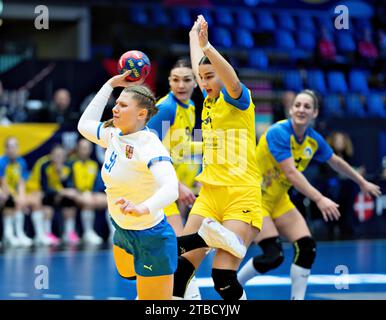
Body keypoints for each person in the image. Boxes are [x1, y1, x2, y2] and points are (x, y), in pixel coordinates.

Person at [237, 89, 382, 299]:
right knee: (273, 256)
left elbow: (336, 162)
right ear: (290, 109)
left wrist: (362, 182)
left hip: (278, 200)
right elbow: (291, 173)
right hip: (254, 198)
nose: (301, 109)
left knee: (306, 248)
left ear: (314, 113)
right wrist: (319, 198)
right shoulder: (279, 132)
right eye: (298, 105)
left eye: (307, 106)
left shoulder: (313, 140)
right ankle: (234, 286)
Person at [172, 15, 263, 301]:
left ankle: (209, 237)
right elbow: (203, 67)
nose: (205, 83)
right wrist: (193, 37)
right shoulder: (208, 99)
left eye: (211, 77)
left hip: (240, 194)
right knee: (180, 270)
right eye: (202, 78)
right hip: (209, 194)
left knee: (222, 279)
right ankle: (206, 237)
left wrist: (207, 46)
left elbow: (229, 78)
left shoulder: (238, 98)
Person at [77, 70, 180, 300]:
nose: (115, 108)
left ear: (141, 113)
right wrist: (110, 84)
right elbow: (84, 125)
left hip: (151, 237)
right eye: (117, 102)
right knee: (129, 274)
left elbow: (171, 188)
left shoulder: (149, 146)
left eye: (123, 105)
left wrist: (143, 207)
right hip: (123, 230)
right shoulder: (114, 135)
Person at [40, 144, 80, 245]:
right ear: (51, 156)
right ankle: (47, 233)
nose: (59, 158)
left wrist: (62, 176)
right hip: (51, 195)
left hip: (63, 195)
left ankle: (69, 232)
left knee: (70, 201)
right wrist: (59, 192)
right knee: (46, 200)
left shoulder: (68, 167)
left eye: (61, 155)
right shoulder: (45, 167)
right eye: (56, 155)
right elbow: (45, 187)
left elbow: (70, 186)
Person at [69, 138, 106, 245]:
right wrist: (80, 192)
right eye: (83, 148)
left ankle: (114, 233)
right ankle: (88, 232)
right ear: (78, 149)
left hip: (91, 194)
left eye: (88, 148)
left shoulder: (94, 165)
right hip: (76, 194)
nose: (85, 150)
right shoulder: (72, 164)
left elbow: (98, 183)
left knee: (110, 201)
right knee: (88, 202)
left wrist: (94, 192)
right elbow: (69, 183)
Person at [0, 137, 33, 247]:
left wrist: (22, 197)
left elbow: (21, 183)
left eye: (14, 147)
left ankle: (19, 233)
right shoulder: (2, 161)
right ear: (5, 149)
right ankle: (8, 235)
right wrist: (16, 198)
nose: (12, 150)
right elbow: (3, 184)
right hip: (3, 191)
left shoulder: (21, 162)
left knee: (23, 200)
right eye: (10, 147)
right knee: (6, 199)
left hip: (13, 193)